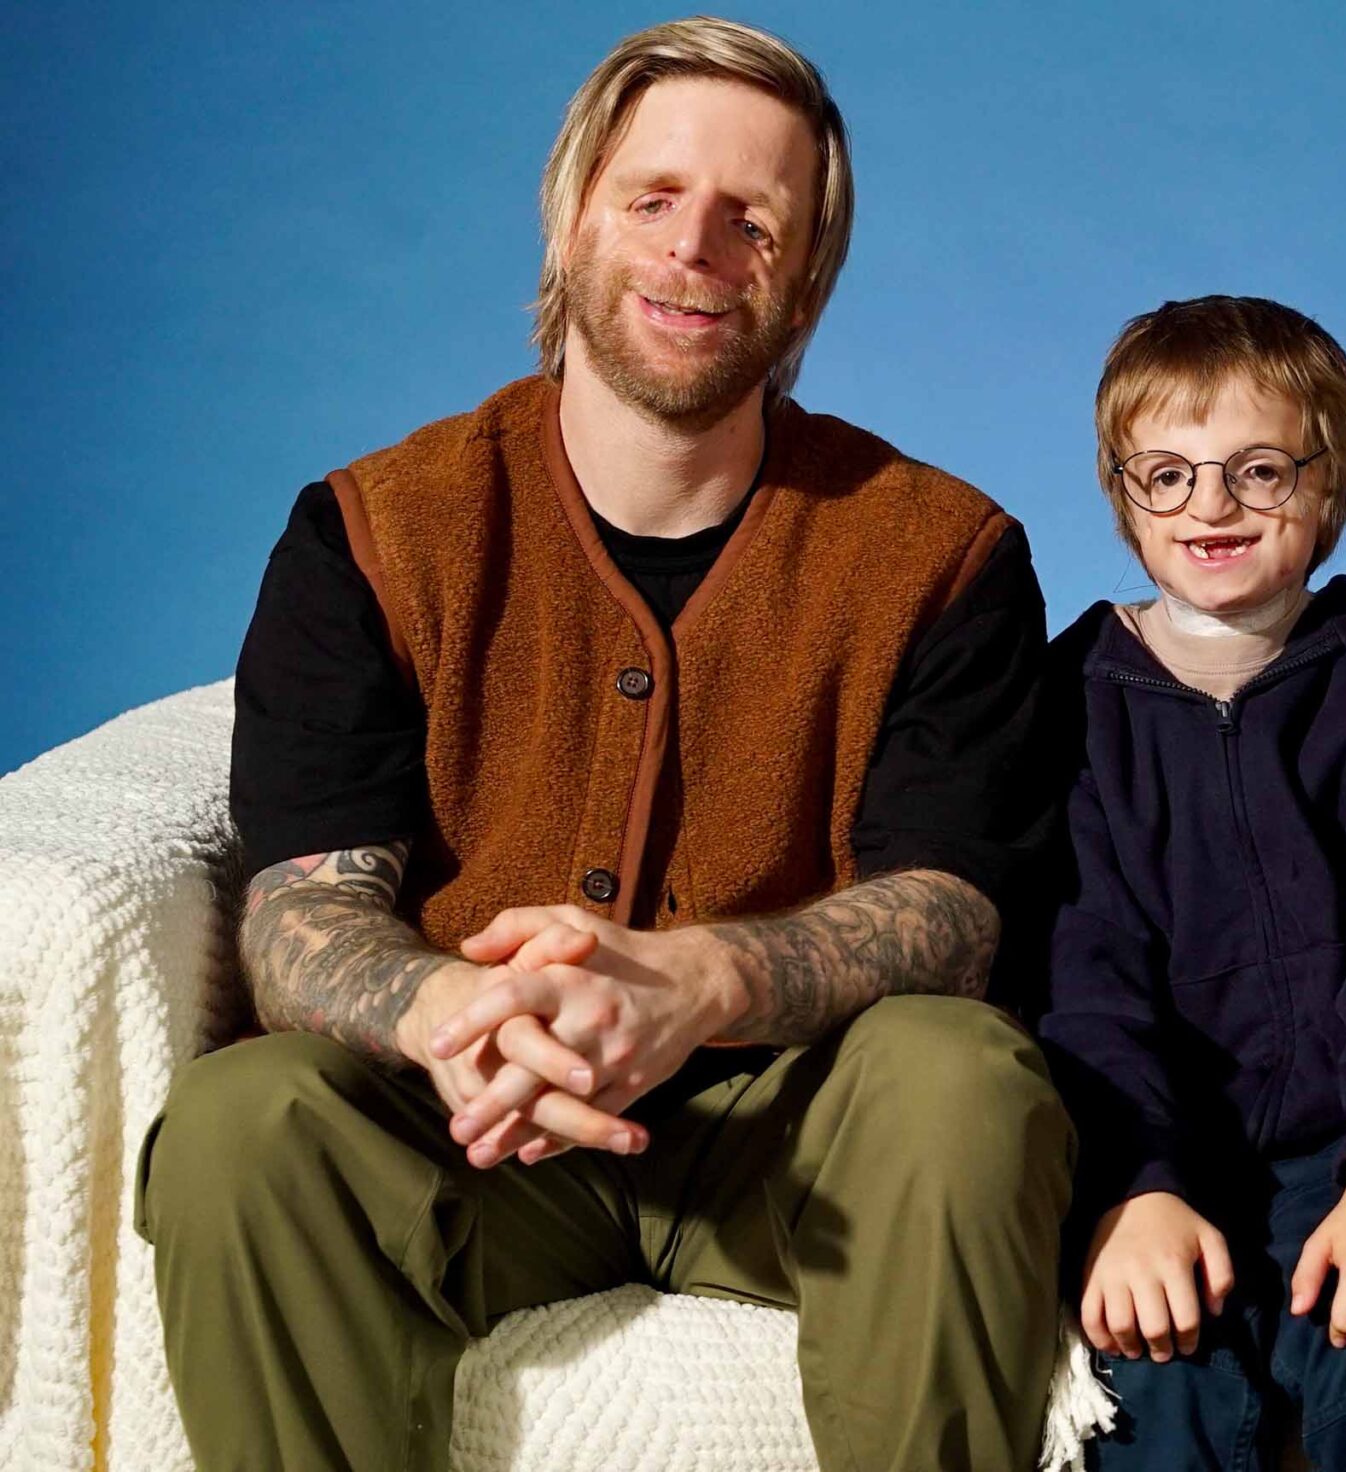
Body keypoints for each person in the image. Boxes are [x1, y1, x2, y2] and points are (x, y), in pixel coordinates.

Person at [135, 18, 1071, 1471]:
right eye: (654, 198)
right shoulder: (373, 533)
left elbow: (956, 912)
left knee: (962, 1077)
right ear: (575, 218)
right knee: (244, 1122)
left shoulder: (945, 554)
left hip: (799, 1135)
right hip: (473, 1130)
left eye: (754, 218)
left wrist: (701, 982)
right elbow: (303, 905)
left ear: (805, 273)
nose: (698, 246)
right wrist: (455, 1011)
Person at [1039, 295, 1346, 1469]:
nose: (1211, 505)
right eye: (1168, 472)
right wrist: (1131, 1185)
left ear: (1329, 481)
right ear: (1123, 491)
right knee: (1161, 1396)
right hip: (1150, 1155)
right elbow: (1076, 965)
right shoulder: (1066, 703)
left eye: (1257, 470)